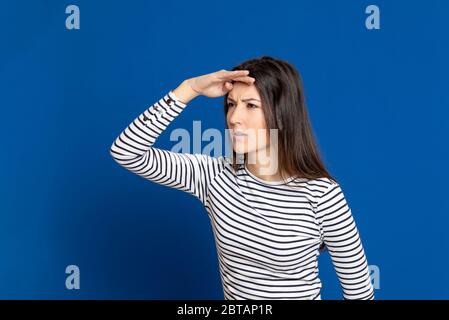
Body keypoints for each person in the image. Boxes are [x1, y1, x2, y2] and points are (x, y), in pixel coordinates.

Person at [110, 56, 374, 300]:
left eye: (251, 105)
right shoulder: (213, 176)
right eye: (231, 104)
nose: (234, 118)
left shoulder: (322, 194)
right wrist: (189, 88)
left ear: (282, 114)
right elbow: (126, 151)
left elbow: (359, 291)